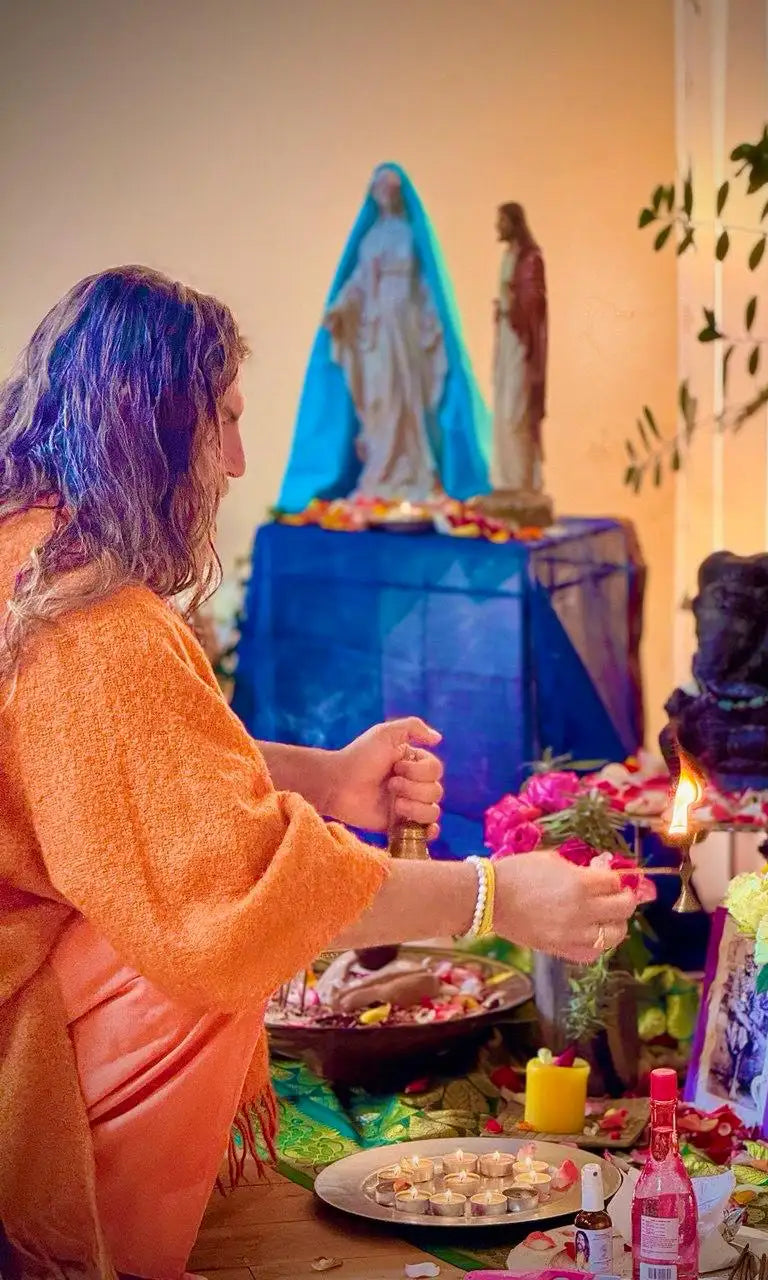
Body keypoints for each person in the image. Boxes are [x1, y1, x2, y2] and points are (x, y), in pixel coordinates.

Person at [0, 266, 640, 1280]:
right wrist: (498, 893)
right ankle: (90, 1255)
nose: (242, 459)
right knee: (214, 940)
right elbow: (237, 886)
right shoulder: (91, 621)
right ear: (155, 421)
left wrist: (329, 779)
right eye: (224, 421)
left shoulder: (27, 552)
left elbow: (124, 769)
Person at [278, 163, 491, 509]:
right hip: (375, 329)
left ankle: (412, 468)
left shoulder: (409, 235)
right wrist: (341, 309)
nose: (386, 195)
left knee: (408, 397)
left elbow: (426, 287)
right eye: (381, 189)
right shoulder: (371, 238)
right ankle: (381, 470)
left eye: (391, 189)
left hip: (405, 325)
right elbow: (358, 285)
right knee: (379, 398)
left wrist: (433, 323)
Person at [490, 202, 547, 493]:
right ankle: (505, 480)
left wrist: (512, 305)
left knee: (517, 410)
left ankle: (522, 482)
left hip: (521, 344)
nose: (497, 227)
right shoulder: (508, 256)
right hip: (506, 338)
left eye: (501, 221)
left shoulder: (531, 259)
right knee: (502, 407)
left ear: (514, 223)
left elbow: (533, 304)